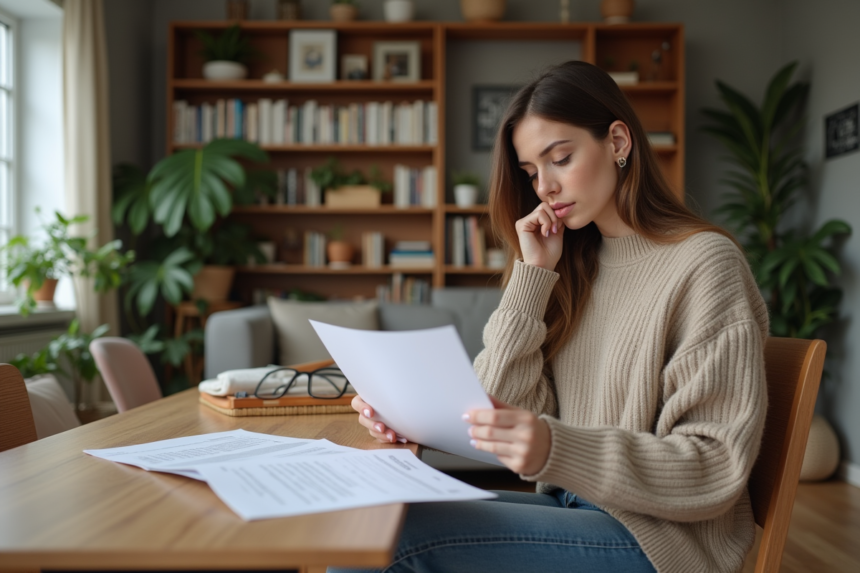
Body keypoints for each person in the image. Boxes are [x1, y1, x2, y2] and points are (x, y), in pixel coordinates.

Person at [334, 60, 769, 573]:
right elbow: (502, 407)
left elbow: (713, 468)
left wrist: (554, 446)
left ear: (618, 142)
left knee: (389, 537)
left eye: (560, 158)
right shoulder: (577, 265)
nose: (545, 187)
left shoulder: (703, 264)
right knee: (368, 514)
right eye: (532, 172)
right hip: (575, 508)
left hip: (661, 542)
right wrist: (531, 278)